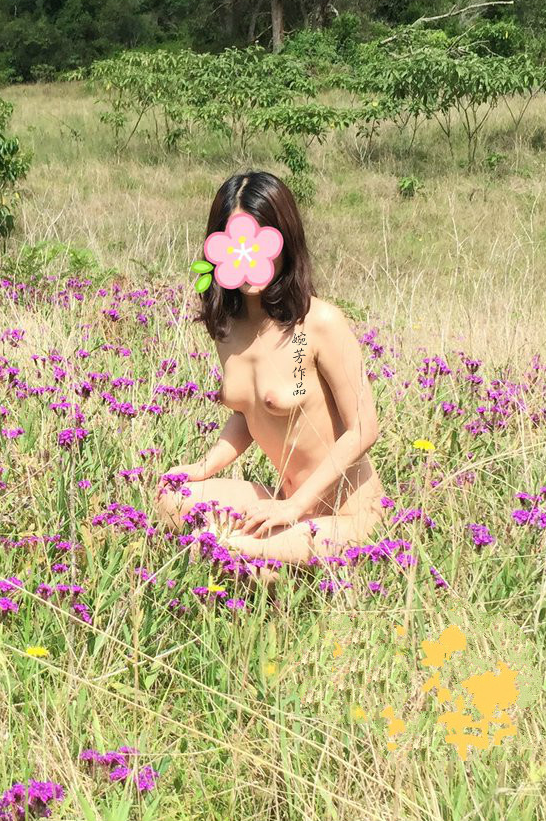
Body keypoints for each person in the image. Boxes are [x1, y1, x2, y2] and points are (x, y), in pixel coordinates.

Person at [155, 170, 387, 581]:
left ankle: (282, 570)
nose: (246, 258)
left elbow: (363, 428)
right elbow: (249, 412)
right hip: (285, 501)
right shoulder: (228, 330)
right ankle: (277, 564)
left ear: (285, 243)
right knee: (172, 499)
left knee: (231, 550)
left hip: (347, 515)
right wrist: (205, 467)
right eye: (233, 244)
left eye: (258, 244)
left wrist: (296, 507)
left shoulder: (319, 323)